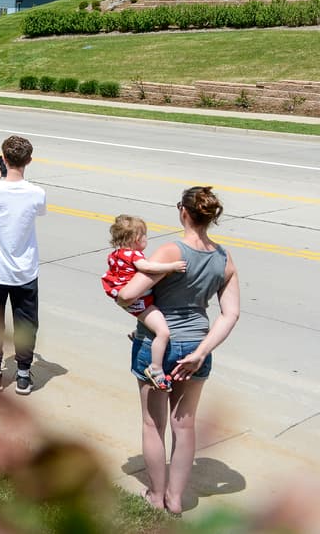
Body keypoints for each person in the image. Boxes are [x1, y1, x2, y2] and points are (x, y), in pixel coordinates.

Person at [117, 186, 240, 517]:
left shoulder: (170, 251)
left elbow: (128, 294)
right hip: (197, 346)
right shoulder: (223, 257)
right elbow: (231, 314)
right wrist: (201, 351)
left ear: (183, 212)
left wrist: (119, 292)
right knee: (184, 425)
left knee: (152, 424)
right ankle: (175, 498)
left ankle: (156, 496)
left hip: (156, 346)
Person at [0, 135, 46, 395]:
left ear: (3, 160)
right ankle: (23, 375)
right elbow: (36, 212)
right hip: (26, 271)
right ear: (29, 161)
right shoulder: (37, 193)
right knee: (26, 323)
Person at [101, 214, 187, 391]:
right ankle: (156, 369)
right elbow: (147, 268)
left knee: (151, 316)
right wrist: (171, 267)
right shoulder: (133, 255)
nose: (147, 238)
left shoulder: (116, 254)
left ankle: (139, 331)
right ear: (136, 238)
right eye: (145, 235)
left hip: (132, 300)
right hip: (140, 301)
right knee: (163, 332)